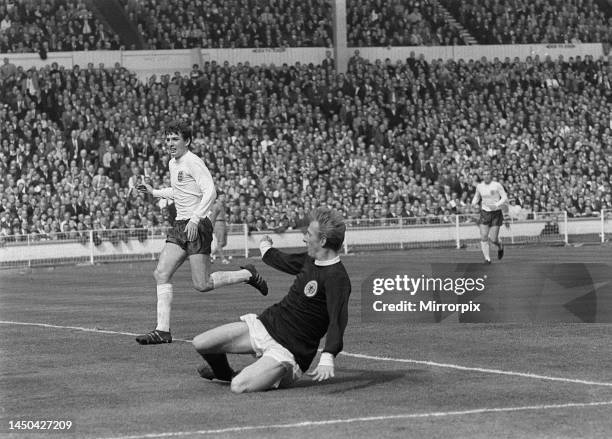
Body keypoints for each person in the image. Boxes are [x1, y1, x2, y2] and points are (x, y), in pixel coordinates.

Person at [135, 120, 268, 345]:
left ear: (186, 141)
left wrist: (196, 219)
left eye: (175, 139)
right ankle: (162, 331)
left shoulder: (193, 161)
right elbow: (180, 191)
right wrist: (155, 192)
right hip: (180, 226)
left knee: (202, 284)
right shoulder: (172, 163)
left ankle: (247, 275)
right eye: (167, 139)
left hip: (197, 225)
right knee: (161, 273)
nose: (170, 143)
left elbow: (211, 191)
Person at [192, 207, 351, 393]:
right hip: (267, 325)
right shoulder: (311, 259)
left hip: (290, 351)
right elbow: (284, 260)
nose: (304, 238)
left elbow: (338, 320)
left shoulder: (337, 278)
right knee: (200, 343)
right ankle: (224, 373)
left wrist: (328, 355)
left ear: (323, 240)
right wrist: (265, 247)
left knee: (239, 386)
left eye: (308, 234)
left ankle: (250, 374)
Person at [471, 168, 508, 264]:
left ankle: (500, 246)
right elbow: (477, 196)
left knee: (493, 239)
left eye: (488, 174)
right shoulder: (479, 186)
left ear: (491, 175)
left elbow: (504, 197)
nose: (486, 175)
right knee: (483, 236)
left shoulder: (497, 185)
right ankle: (487, 259)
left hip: (496, 213)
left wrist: (496, 204)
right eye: (485, 174)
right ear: (482, 176)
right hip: (484, 212)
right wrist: (473, 203)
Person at [209, 192, 230, 264]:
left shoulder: (223, 206)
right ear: (218, 197)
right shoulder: (216, 206)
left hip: (223, 223)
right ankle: (223, 259)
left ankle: (210, 255)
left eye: (224, 196)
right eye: (222, 196)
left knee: (224, 243)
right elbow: (213, 217)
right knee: (220, 243)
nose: (224, 198)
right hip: (218, 223)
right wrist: (211, 226)